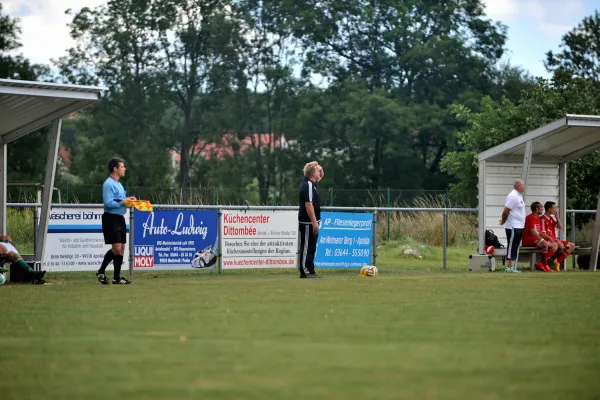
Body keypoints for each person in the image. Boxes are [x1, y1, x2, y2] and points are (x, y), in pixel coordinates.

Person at [97, 158, 136, 285]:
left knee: (122, 248)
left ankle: (116, 278)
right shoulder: (108, 184)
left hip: (120, 218)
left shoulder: (119, 184)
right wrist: (124, 202)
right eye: (122, 166)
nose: (124, 169)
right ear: (115, 168)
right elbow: (108, 203)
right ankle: (101, 271)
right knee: (116, 248)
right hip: (111, 218)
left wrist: (129, 201)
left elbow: (120, 201)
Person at [298, 161, 324, 279]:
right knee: (306, 246)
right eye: (318, 170)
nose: (320, 172)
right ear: (313, 173)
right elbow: (309, 205)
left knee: (312, 247)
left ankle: (311, 270)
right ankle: (305, 271)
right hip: (308, 222)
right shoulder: (307, 185)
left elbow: (320, 176)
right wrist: (314, 222)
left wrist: (319, 168)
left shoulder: (313, 184)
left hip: (313, 221)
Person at [499, 179, 527, 273]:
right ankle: (509, 267)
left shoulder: (519, 196)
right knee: (511, 245)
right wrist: (503, 221)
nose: (524, 187)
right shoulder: (513, 196)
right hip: (513, 226)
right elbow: (506, 210)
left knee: (515, 245)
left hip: (519, 225)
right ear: (518, 186)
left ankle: (511, 266)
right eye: (523, 185)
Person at [540, 201, 576, 271]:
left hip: (554, 239)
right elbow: (542, 233)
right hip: (549, 240)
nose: (555, 209)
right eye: (554, 208)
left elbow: (560, 226)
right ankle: (546, 262)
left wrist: (556, 216)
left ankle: (557, 261)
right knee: (561, 246)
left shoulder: (550, 218)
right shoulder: (542, 219)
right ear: (549, 209)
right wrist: (550, 238)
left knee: (572, 246)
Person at [522, 202, 556, 273]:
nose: (542, 209)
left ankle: (541, 263)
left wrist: (549, 238)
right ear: (537, 209)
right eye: (541, 207)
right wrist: (542, 240)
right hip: (529, 240)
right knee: (545, 244)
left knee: (554, 245)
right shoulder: (530, 218)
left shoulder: (538, 218)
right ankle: (545, 265)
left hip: (536, 239)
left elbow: (540, 232)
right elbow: (532, 231)